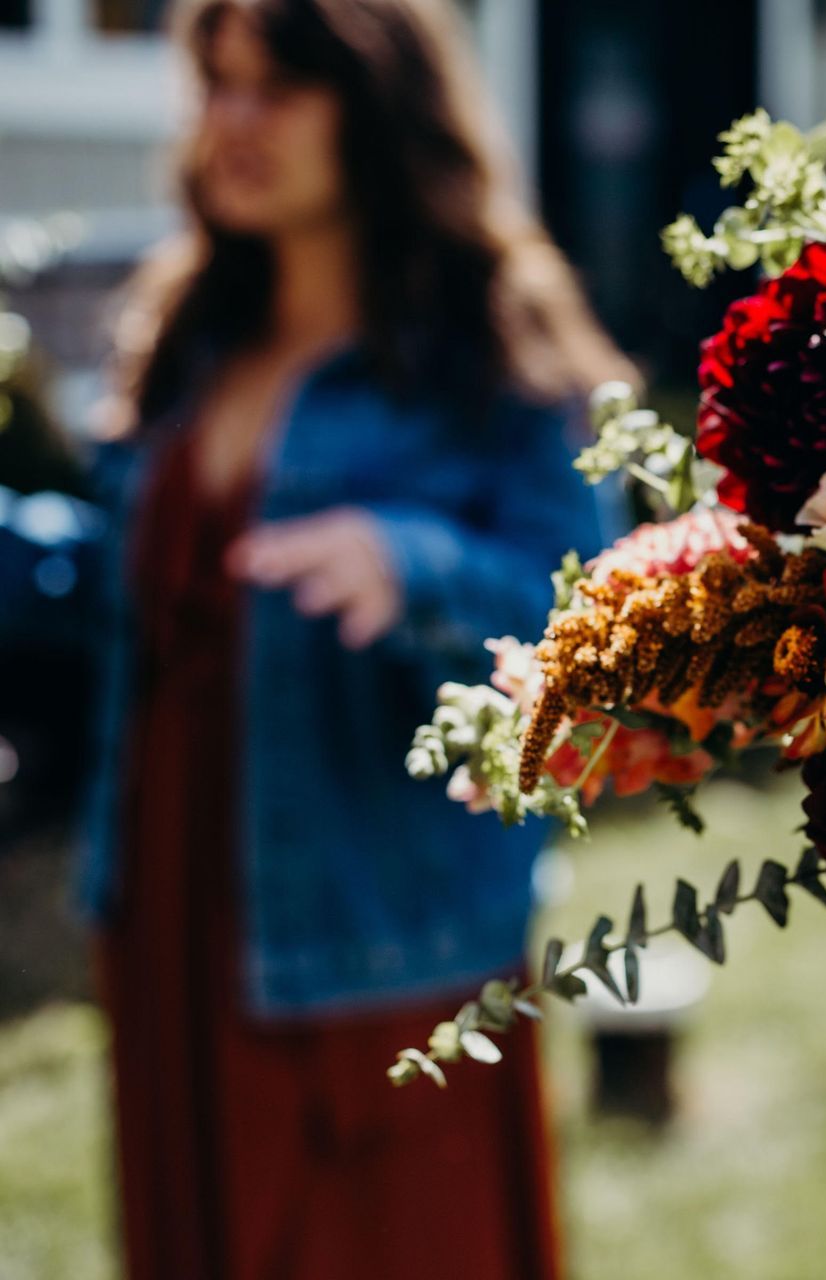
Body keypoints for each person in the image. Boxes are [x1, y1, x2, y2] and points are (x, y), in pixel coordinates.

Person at [73, 2, 624, 1277]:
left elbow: (594, 626)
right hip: (170, 895)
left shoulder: (497, 338)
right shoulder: (192, 328)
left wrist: (410, 564)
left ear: (376, 104)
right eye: (217, 83)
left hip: (385, 933)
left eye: (281, 88)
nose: (235, 122)